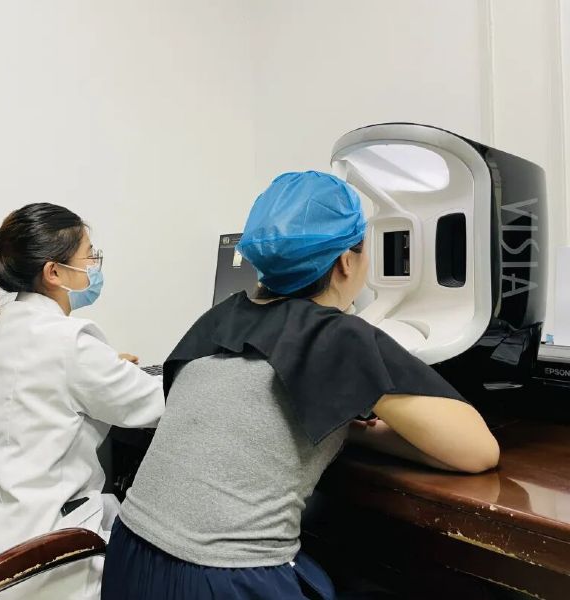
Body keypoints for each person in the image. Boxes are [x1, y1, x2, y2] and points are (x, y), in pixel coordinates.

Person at [101, 171, 499, 600]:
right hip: (224, 579)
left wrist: (351, 428)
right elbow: (478, 451)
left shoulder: (218, 318)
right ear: (346, 262)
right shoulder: (339, 336)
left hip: (128, 556)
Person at [0, 203, 165, 599]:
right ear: (53, 272)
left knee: (114, 509)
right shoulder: (68, 343)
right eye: (89, 255)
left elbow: (44, 385)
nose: (94, 265)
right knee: (162, 555)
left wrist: (105, 367)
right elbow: (159, 404)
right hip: (28, 566)